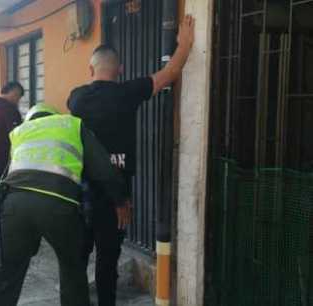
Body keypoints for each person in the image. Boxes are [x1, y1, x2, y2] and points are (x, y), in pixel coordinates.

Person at [67, 15, 195, 306]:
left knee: (77, 258)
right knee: (107, 262)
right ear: (120, 70)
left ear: (90, 69)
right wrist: (185, 45)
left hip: (80, 192)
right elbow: (170, 73)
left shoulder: (75, 98)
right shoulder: (127, 92)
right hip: (117, 197)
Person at [0, 104, 126, 306]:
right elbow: (103, 169)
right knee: (72, 270)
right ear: (54, 115)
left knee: (4, 273)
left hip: (15, 204)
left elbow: (9, 171)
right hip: (58, 206)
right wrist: (120, 199)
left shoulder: (18, 132)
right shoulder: (71, 124)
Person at [0, 82, 24, 178]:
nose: (17, 99)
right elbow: (17, 132)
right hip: (6, 152)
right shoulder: (8, 109)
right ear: (10, 92)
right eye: (16, 95)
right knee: (5, 180)